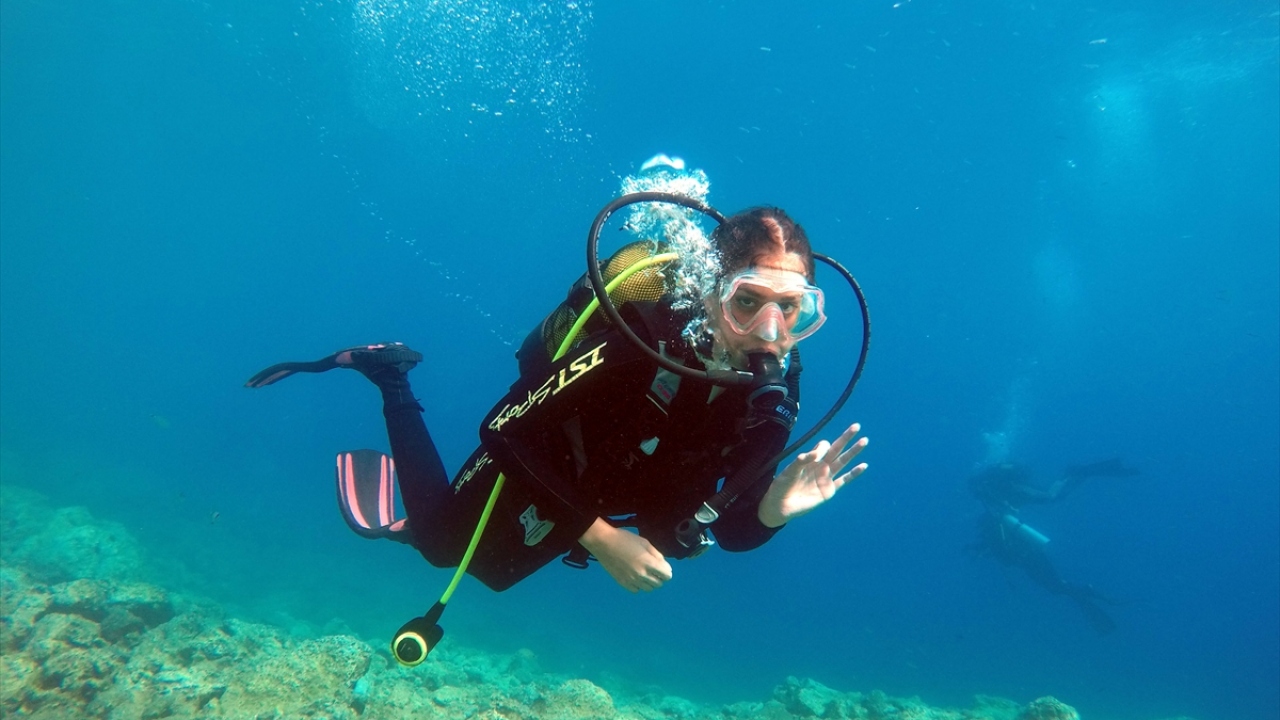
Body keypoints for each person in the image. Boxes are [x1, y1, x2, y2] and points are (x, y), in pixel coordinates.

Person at [248, 207, 869, 598]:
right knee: (442, 547)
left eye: (791, 309)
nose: (768, 332)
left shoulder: (777, 385)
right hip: (543, 453)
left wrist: (775, 510)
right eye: (746, 301)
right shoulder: (640, 341)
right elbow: (501, 429)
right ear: (712, 292)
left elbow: (725, 531)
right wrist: (596, 536)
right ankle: (391, 377)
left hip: (616, 491)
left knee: (491, 569)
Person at [967, 459, 1138, 634]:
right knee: (1055, 585)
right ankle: (1087, 592)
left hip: (1027, 551)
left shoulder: (995, 489)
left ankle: (1075, 472)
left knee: (1051, 496)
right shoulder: (993, 495)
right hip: (1026, 550)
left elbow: (1003, 524)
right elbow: (1001, 528)